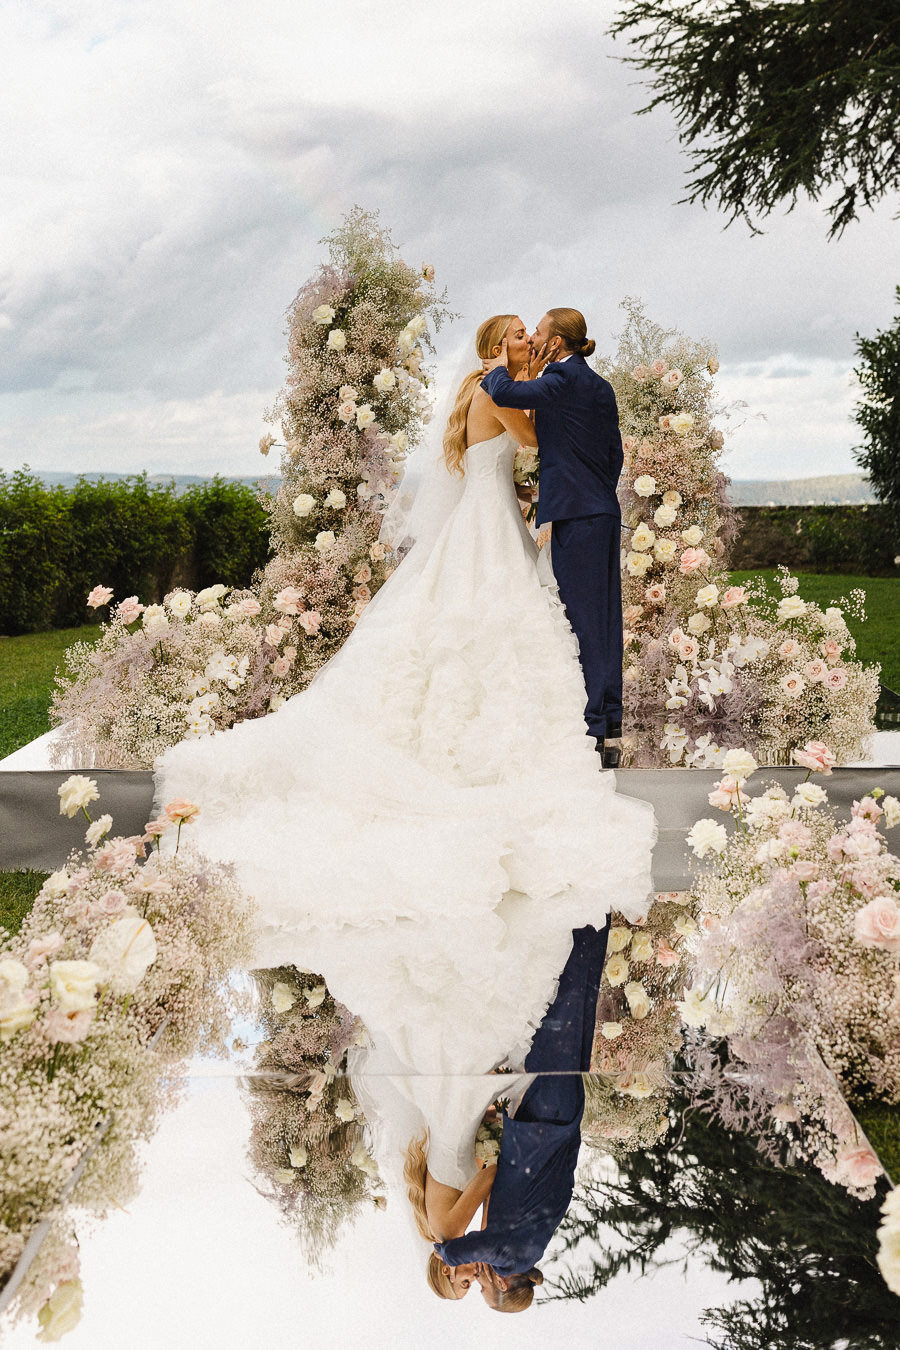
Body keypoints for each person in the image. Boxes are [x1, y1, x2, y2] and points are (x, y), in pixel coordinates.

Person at [153, 314, 656, 1086]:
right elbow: (531, 442)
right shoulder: (497, 389)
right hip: (494, 534)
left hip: (485, 527)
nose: (525, 340)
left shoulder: (472, 389)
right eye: (515, 332)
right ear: (497, 345)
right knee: (488, 641)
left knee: (466, 643)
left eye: (532, 332)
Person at [434, 924, 609, 1313]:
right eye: (480, 1287)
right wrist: (444, 1255)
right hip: (548, 1115)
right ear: (500, 1282)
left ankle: (596, 917)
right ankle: (587, 914)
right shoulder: (511, 1256)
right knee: (567, 1005)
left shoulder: (532, 1246)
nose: (476, 1279)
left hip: (557, 1117)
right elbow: (460, 1249)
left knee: (579, 1007)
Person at [481, 308, 625, 765]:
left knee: (581, 620)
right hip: (600, 511)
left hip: (578, 517)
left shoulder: (563, 380)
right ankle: (609, 722)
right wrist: (593, 489)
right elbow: (614, 454)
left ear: (558, 342)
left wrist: (497, 365)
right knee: (604, 618)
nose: (535, 339)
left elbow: (505, 390)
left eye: (538, 333)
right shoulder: (600, 387)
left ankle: (593, 731)